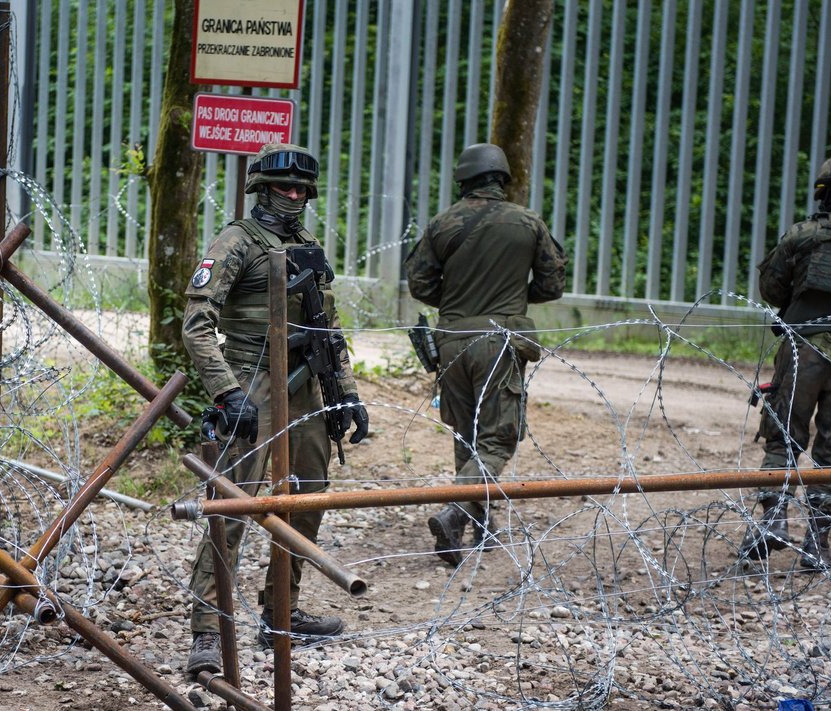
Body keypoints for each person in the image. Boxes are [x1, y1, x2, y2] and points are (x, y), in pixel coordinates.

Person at [181, 143, 370, 675]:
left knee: (308, 499)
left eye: (302, 190)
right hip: (252, 379)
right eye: (285, 188)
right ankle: (206, 628)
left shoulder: (307, 244)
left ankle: (280, 611)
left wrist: (347, 392)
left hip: (307, 383)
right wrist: (227, 391)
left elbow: (328, 329)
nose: (294, 197)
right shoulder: (237, 242)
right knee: (233, 506)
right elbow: (196, 324)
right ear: (262, 189)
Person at [405, 143, 566, 567]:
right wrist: (512, 296)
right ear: (502, 179)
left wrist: (459, 297)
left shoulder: (443, 223)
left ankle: (480, 524)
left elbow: (420, 284)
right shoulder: (527, 222)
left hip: (452, 340)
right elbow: (552, 285)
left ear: (464, 180)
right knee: (498, 437)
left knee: (466, 432)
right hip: (499, 339)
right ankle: (457, 509)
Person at [739, 153, 831, 570]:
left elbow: (771, 288)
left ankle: (774, 522)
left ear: (823, 193)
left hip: (801, 350)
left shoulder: (801, 236)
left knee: (783, 436)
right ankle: (817, 545)